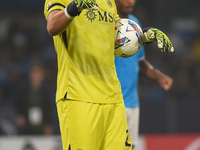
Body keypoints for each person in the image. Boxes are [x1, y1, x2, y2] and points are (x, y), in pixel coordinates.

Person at [43, 0, 174, 149]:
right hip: (79, 96)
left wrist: (145, 35)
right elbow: (52, 26)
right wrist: (75, 6)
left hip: (113, 97)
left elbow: (116, 39)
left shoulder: (109, 2)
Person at [115, 0, 173, 149]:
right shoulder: (105, 22)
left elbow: (140, 61)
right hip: (110, 102)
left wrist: (160, 77)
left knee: (130, 147)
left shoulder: (135, 23)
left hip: (132, 102)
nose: (131, 1)